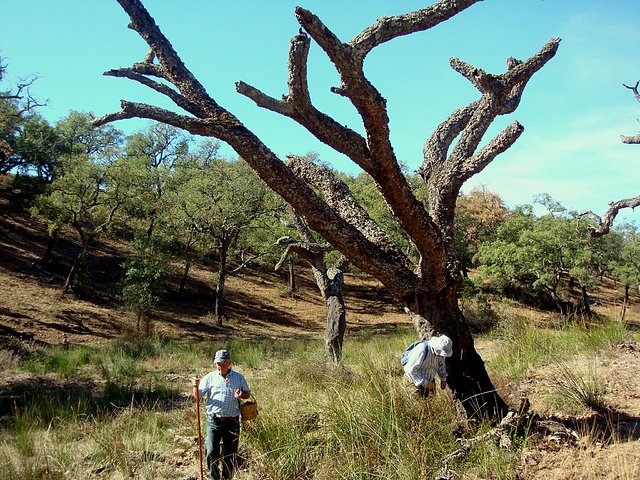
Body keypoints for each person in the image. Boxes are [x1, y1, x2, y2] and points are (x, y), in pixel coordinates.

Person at [193, 349, 251, 480]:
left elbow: (247, 393)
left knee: (230, 454)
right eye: (218, 363)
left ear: (229, 362)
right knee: (211, 451)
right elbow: (198, 397)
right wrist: (195, 386)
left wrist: (242, 395)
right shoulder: (209, 378)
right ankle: (214, 477)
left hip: (232, 421)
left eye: (223, 363)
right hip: (214, 421)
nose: (220, 366)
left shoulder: (238, 377)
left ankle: (227, 477)